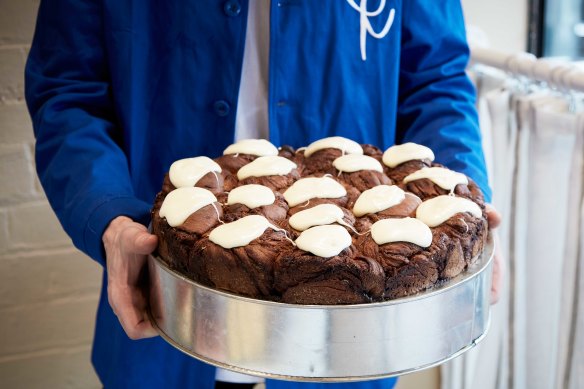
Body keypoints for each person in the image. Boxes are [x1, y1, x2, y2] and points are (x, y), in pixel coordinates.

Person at [25, 1, 503, 388]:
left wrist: (457, 205)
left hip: (346, 339)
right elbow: (68, 92)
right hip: (163, 314)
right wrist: (109, 217)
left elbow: (435, 80)